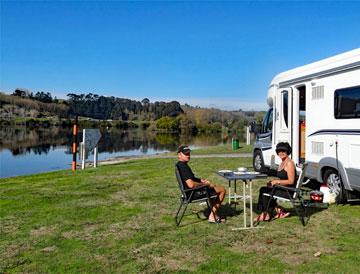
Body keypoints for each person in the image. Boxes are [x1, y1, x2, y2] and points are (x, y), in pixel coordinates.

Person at [176, 145, 226, 223]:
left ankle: (213, 212)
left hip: (188, 192)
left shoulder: (180, 165)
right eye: (186, 154)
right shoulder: (183, 167)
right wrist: (205, 185)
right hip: (192, 193)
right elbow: (191, 185)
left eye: (189, 153)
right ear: (179, 155)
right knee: (222, 190)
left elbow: (191, 178)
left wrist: (201, 180)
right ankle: (212, 216)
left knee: (215, 187)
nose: (188, 155)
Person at [254, 142, 296, 222]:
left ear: (288, 152)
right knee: (263, 189)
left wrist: (277, 182)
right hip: (283, 188)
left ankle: (266, 214)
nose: (281, 153)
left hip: (288, 191)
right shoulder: (283, 162)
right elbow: (283, 178)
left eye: (284, 151)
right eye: (279, 151)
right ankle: (276, 210)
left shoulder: (289, 163)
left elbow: (291, 181)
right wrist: (273, 182)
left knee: (265, 192)